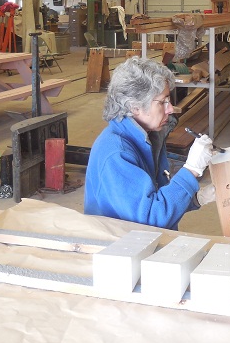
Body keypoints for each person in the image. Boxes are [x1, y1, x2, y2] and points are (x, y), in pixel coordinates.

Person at [84, 57, 216, 230]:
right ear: (135, 107)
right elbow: (151, 219)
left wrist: (196, 198)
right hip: (120, 248)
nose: (170, 109)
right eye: (162, 102)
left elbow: (157, 199)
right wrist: (191, 170)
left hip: (138, 242)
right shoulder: (116, 154)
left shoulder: (147, 137)